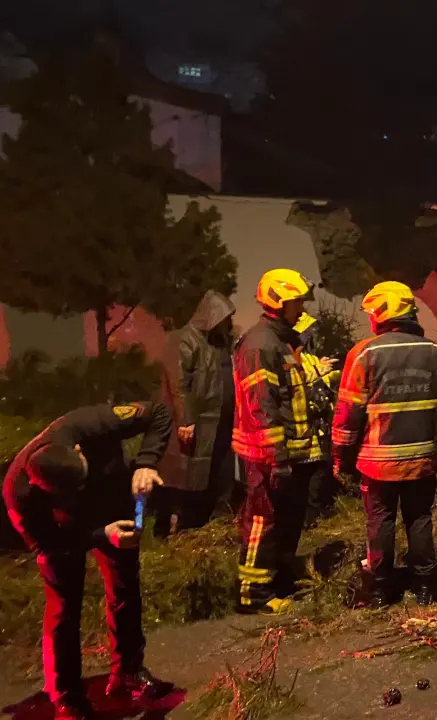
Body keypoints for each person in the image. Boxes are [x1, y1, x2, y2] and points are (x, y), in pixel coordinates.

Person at [3, 402, 175, 719]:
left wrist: (146, 463)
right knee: (63, 606)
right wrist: (99, 535)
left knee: (125, 587)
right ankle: (66, 696)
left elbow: (159, 413)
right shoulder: (18, 493)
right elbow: (50, 545)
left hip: (110, 503)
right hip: (65, 529)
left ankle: (128, 672)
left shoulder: (90, 423)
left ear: (78, 449)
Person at [332, 281, 437, 607]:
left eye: (372, 313)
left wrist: (341, 458)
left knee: (380, 521)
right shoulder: (433, 352)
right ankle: (426, 586)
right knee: (419, 518)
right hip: (422, 458)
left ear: (382, 314)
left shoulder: (364, 354)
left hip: (377, 463)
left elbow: (347, 415)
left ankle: (380, 589)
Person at [231, 268, 325, 615]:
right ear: (278, 303)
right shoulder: (260, 345)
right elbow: (261, 405)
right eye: (296, 302)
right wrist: (276, 456)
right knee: (262, 522)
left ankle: (280, 582)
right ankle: (253, 595)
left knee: (286, 520)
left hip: (290, 452)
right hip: (267, 455)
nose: (301, 308)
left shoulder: (281, 340)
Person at [154, 290, 238, 538]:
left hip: (221, 421)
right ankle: (182, 525)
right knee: (189, 473)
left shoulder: (216, 343)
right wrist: (185, 420)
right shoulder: (184, 339)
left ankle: (218, 516)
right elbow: (178, 383)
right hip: (198, 422)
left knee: (219, 468)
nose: (227, 323)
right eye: (224, 317)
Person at [292, 312, 342, 527]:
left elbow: (319, 379)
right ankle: (308, 515)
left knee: (320, 466)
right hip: (303, 422)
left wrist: (335, 373)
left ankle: (317, 509)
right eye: (307, 331)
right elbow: (297, 379)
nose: (311, 334)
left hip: (318, 422)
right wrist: (319, 370)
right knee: (310, 470)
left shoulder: (308, 356)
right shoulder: (290, 356)